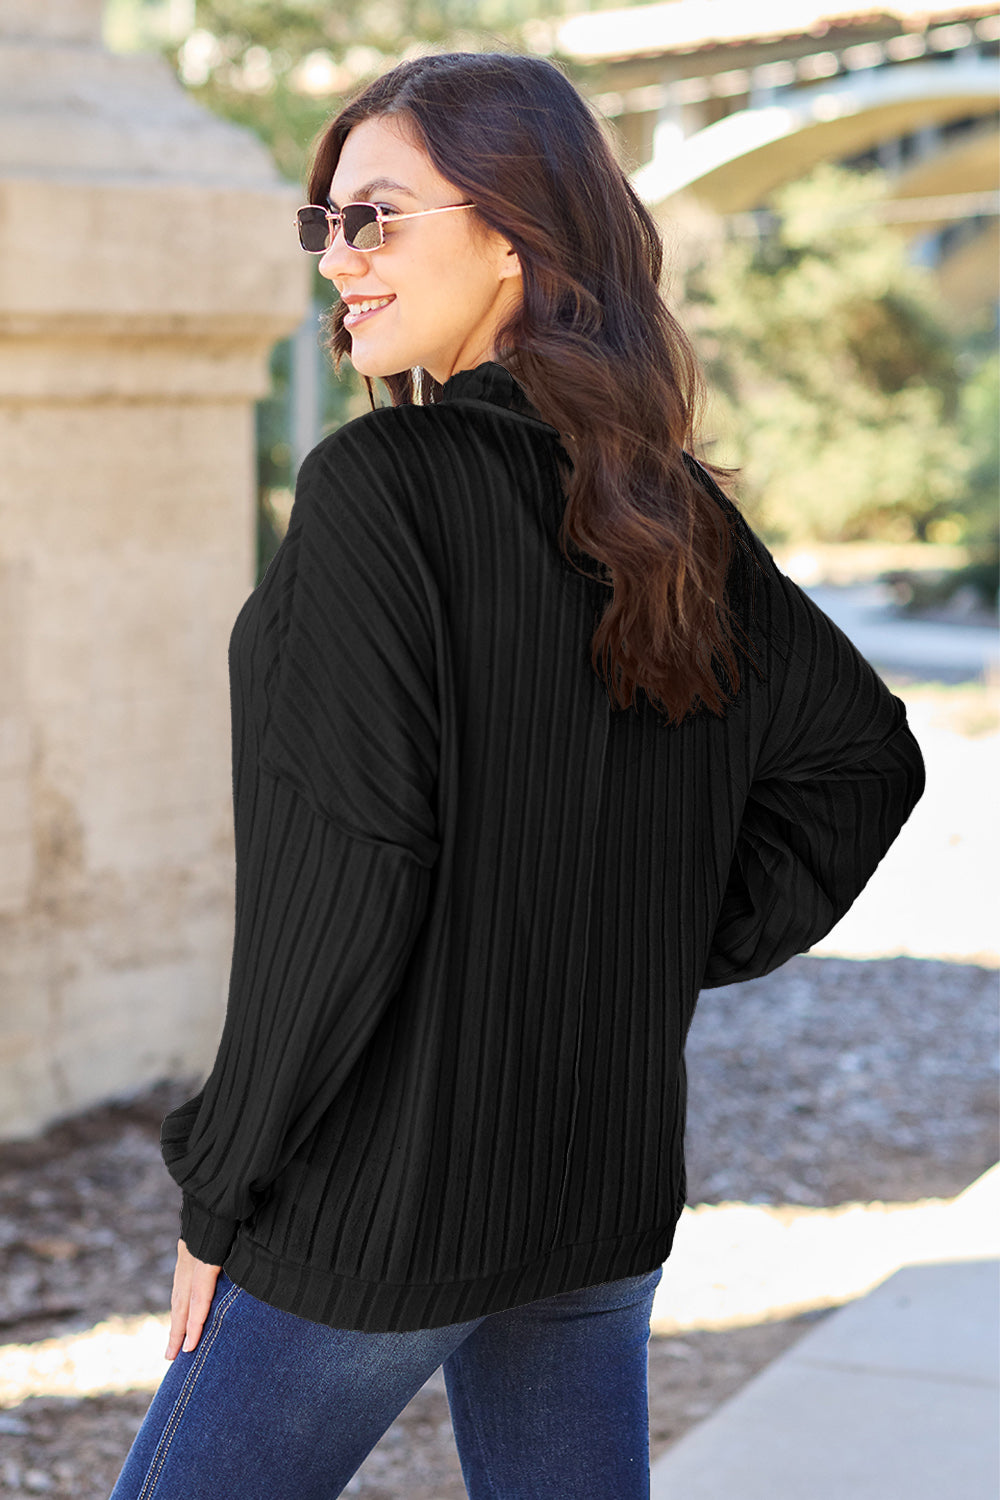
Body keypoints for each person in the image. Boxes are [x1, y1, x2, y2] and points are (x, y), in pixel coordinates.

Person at [109, 49, 924, 1500]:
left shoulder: (380, 493)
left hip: (387, 1205)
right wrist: (643, 945)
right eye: (328, 223)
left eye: (377, 216)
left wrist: (220, 1187)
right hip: (594, 1183)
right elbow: (860, 762)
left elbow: (345, 882)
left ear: (509, 235)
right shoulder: (671, 518)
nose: (338, 256)